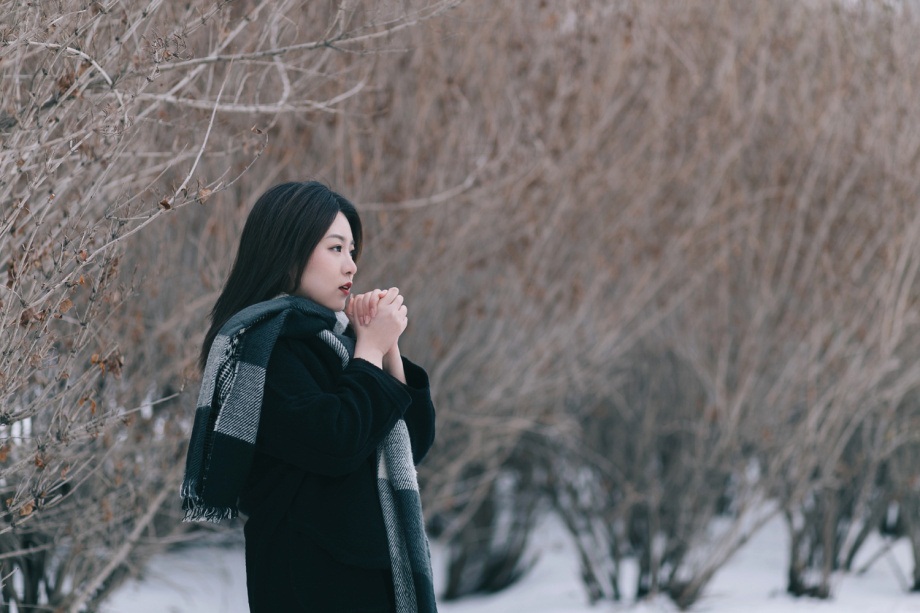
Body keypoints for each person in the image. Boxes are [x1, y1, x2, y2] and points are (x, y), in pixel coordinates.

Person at [180, 181, 437, 612]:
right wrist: (369, 349)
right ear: (288, 251)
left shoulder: (336, 343)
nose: (351, 265)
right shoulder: (263, 348)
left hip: (369, 573)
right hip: (309, 579)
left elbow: (413, 444)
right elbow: (335, 439)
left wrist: (385, 347)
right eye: (335, 248)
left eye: (352, 250)